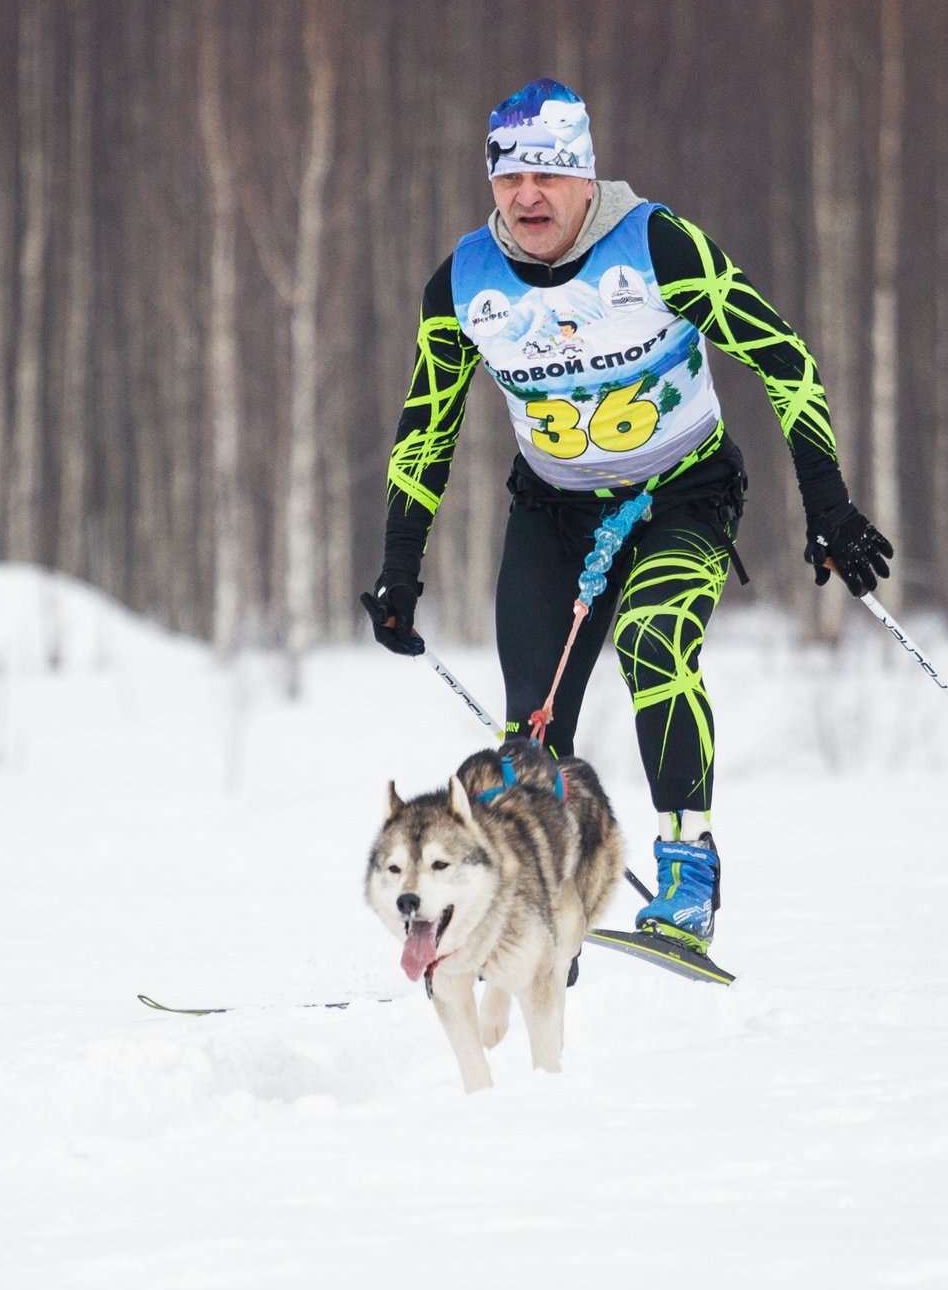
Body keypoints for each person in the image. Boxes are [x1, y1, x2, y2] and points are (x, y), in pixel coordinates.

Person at [363, 79, 891, 961]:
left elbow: (782, 355)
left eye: (548, 176)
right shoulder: (463, 284)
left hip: (681, 495)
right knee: (527, 739)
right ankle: (536, 926)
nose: (527, 196)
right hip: (555, 514)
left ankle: (687, 871)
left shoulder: (656, 248)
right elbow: (427, 425)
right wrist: (399, 565)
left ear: (584, 176)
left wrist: (829, 508)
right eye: (508, 178)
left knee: (653, 640)